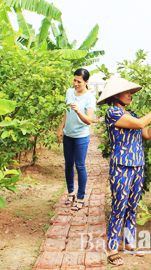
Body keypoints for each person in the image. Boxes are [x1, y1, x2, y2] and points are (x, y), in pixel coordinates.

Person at [97, 76, 151, 266]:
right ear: (115, 95)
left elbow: (145, 133)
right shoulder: (113, 112)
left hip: (137, 165)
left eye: (130, 91)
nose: (130, 94)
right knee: (119, 207)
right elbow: (139, 125)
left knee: (132, 206)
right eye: (126, 91)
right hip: (121, 166)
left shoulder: (132, 113)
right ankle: (112, 247)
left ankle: (129, 243)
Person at [57, 68, 96, 211]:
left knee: (80, 166)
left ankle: (80, 197)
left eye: (79, 81)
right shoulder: (69, 92)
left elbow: (89, 121)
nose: (75, 84)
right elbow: (65, 113)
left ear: (86, 82)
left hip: (81, 136)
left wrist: (78, 110)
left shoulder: (90, 98)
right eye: (74, 80)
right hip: (68, 135)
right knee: (68, 165)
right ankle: (70, 192)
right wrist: (61, 128)